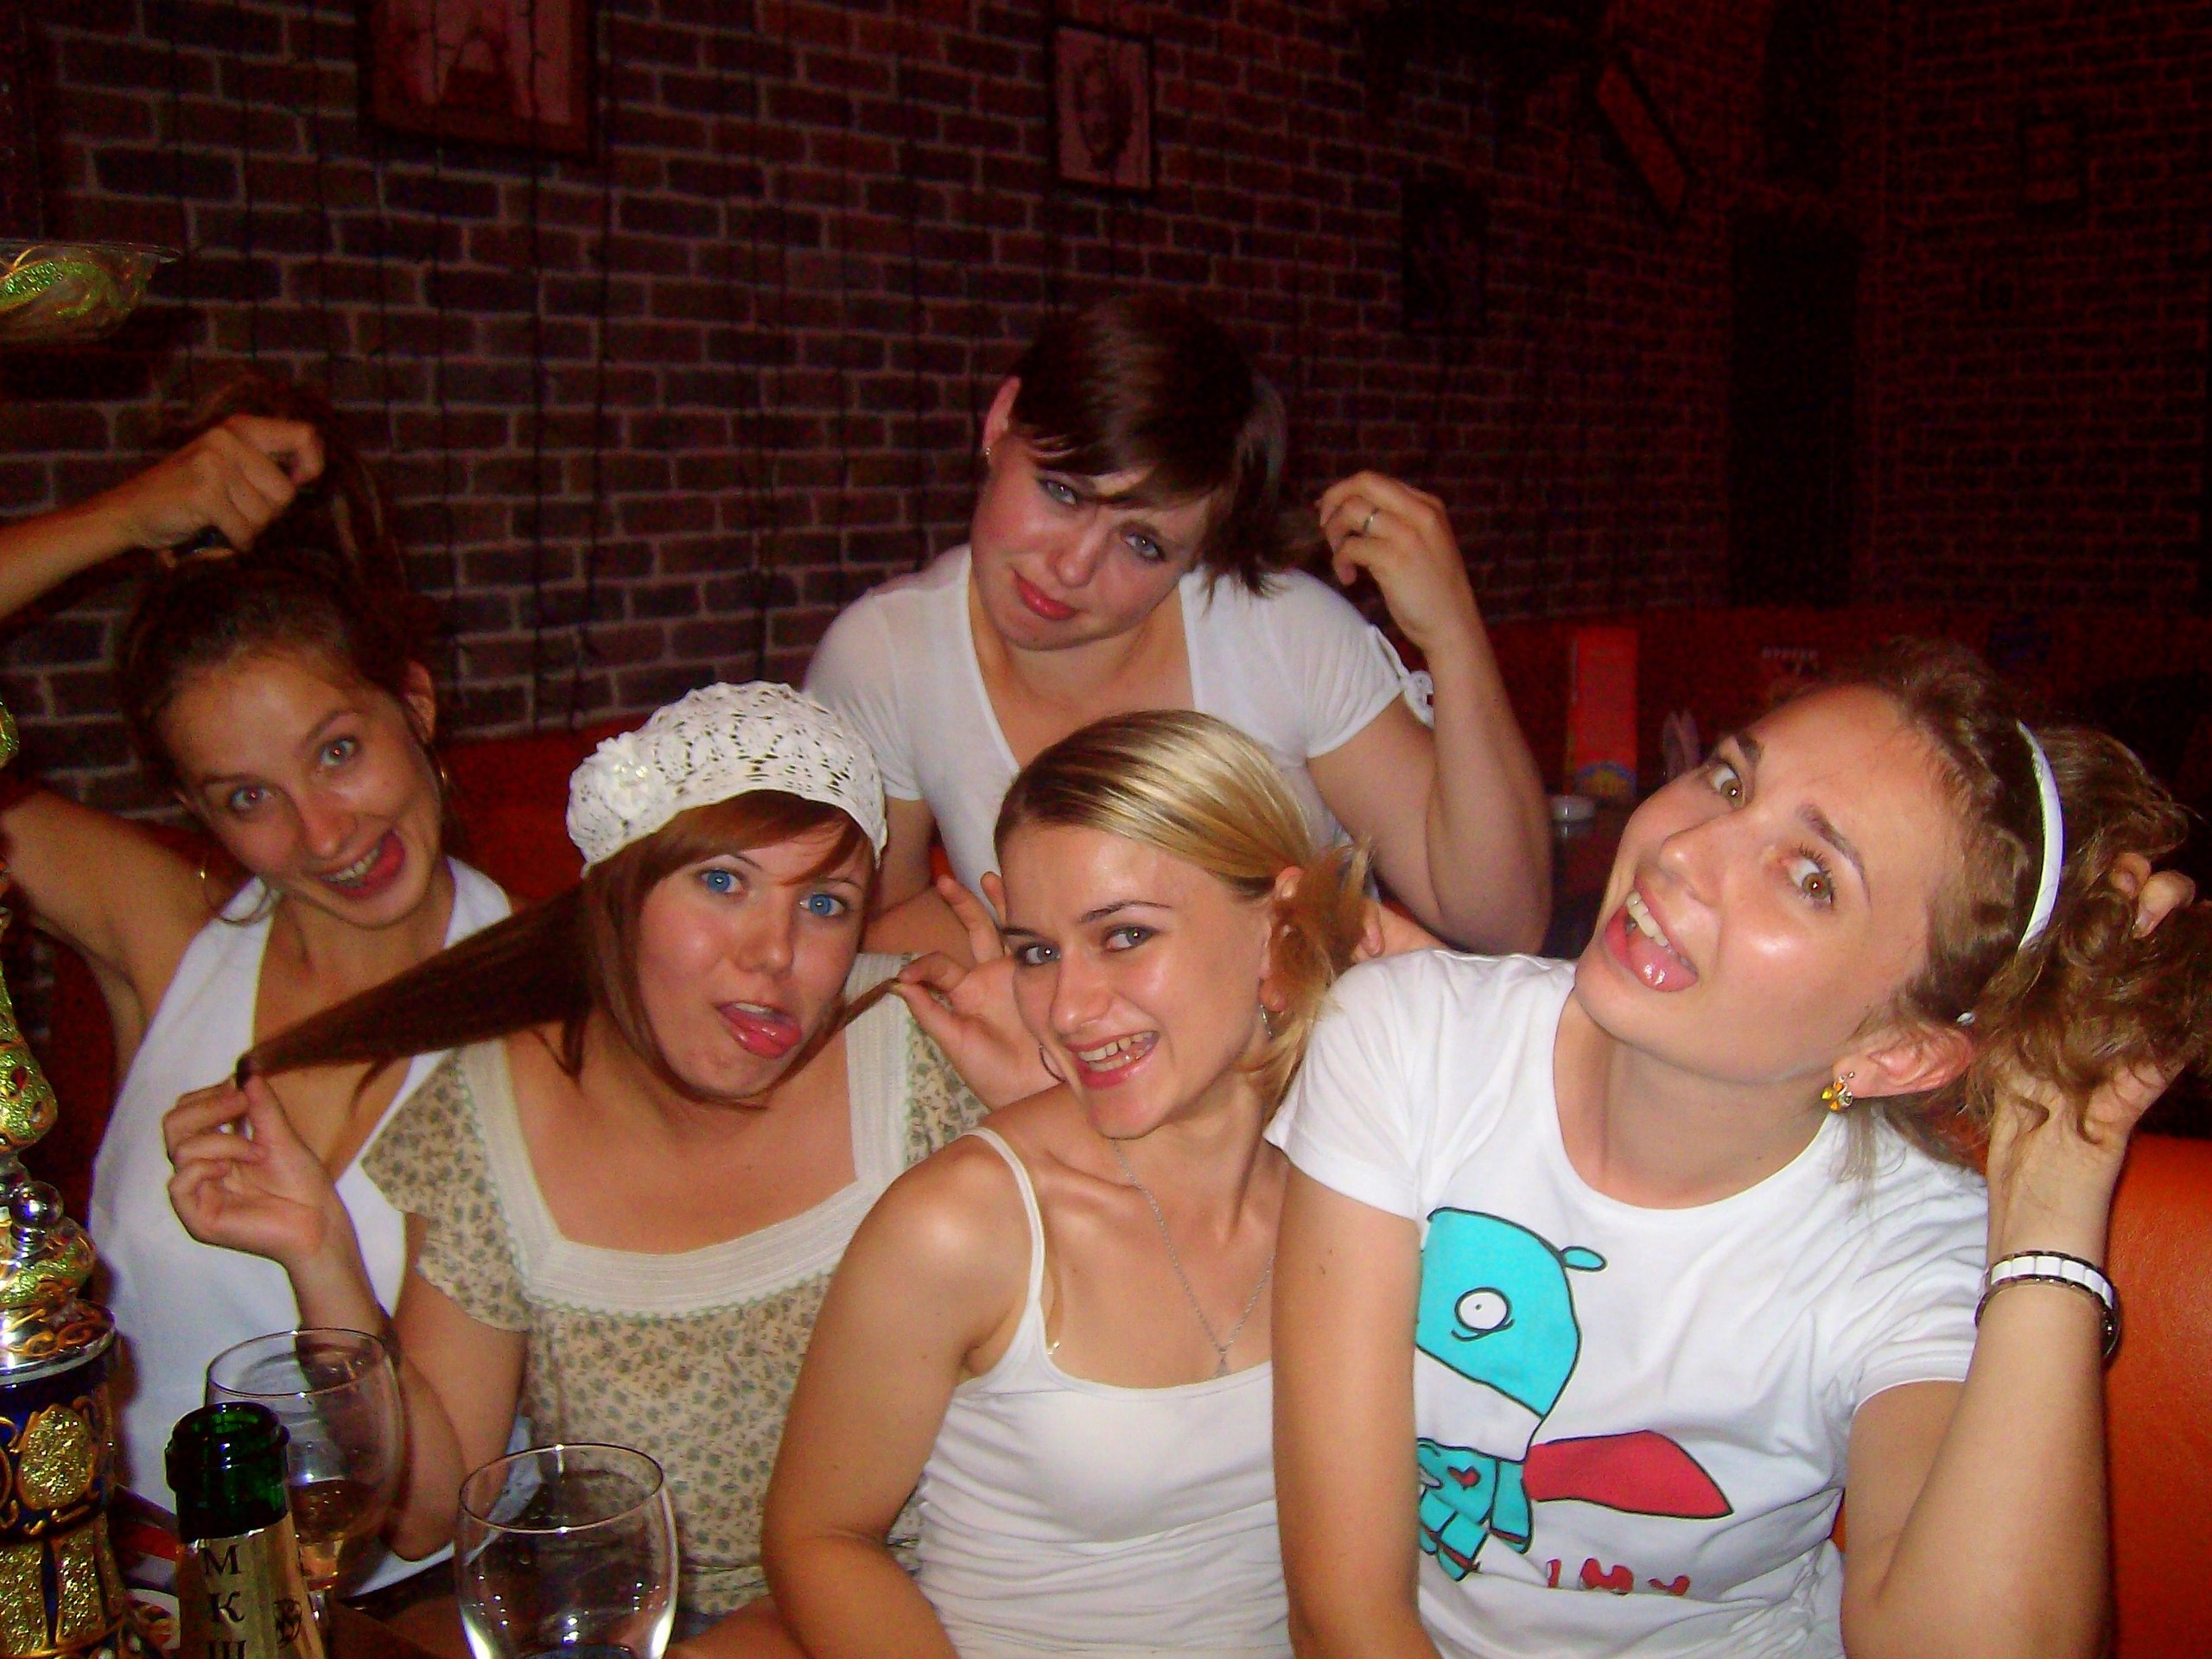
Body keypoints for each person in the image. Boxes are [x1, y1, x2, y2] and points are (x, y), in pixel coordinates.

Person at [1269, 639, 2212, 1659]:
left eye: (1810, 877)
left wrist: (2058, 1185)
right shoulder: (1410, 1040)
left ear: (1894, 1053)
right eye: (1727, 781)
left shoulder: (1910, 1243)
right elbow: (1344, 1616)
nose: (1683, 850)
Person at [164, 683, 998, 1656]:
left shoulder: (933, 1049)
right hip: (640, 1633)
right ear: (619, 893)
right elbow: (428, 1514)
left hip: (957, 1608)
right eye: (722, 883)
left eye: (823, 903)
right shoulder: (484, 1120)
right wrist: (321, 1254)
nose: (775, 953)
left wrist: (1039, 1101)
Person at [0, 373, 510, 1520]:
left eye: (337, 751)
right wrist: (123, 519)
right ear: (196, 810)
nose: (322, 834)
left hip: (378, 1597)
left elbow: (428, 1515)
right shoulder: (172, 932)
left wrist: (317, 1248)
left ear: (416, 706)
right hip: (115, 1570)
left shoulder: (541, 999)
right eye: (246, 797)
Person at [762, 710, 1374, 1659]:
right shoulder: (964, 1224)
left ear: (1277, 924)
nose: (1069, 1009)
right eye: (1038, 952)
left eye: (1124, 935)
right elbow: (819, 1537)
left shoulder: (1365, 1179)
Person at [805, 291, 1549, 961]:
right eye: (1062, 492)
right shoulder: (888, 658)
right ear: (1002, 422)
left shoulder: (1282, 633)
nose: (1072, 566)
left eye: (1142, 543)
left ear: (1200, 552)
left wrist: (1453, 633)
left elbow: (1503, 921)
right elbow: (868, 928)